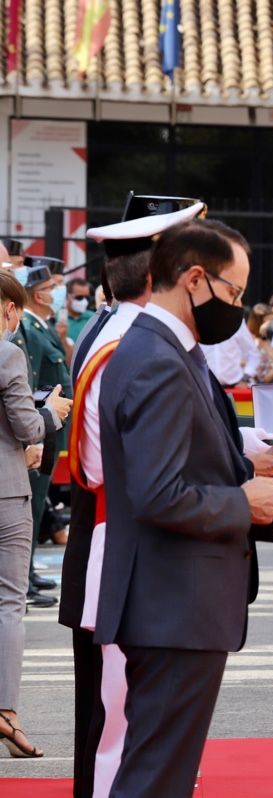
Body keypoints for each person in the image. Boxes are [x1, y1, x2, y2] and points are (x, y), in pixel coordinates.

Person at [92, 219, 273, 796]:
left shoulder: (172, 349)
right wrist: (241, 501)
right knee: (155, 777)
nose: (238, 307)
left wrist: (263, 486)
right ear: (195, 279)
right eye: (234, 292)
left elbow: (184, 463)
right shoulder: (157, 356)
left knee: (161, 772)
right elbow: (156, 493)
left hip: (176, 601)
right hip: (172, 602)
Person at [60, 195, 207, 795]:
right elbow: (125, 471)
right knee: (121, 734)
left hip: (120, 545)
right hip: (131, 551)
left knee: (121, 726)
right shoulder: (135, 347)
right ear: (160, 272)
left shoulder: (123, 332)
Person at [0, 269, 72, 760]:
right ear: (10, 309)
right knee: (9, 603)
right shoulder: (8, 352)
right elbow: (27, 424)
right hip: (5, 494)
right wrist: (55, 413)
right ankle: (5, 712)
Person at [16, 258, 72, 608]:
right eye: (50, 288)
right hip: (38, 428)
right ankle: (21, 579)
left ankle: (27, 572)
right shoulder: (28, 329)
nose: (57, 292)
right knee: (31, 505)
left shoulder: (42, 327)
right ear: (36, 294)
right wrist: (33, 435)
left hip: (49, 426)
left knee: (36, 506)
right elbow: (30, 383)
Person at [200, 320, 260, 388]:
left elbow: (253, 354)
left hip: (235, 385)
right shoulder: (198, 321)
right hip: (206, 386)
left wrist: (245, 378)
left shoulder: (236, 321)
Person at [66, 278, 95, 344]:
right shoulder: (57, 319)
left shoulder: (94, 318)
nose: (84, 301)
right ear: (68, 296)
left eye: (87, 298)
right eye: (79, 297)